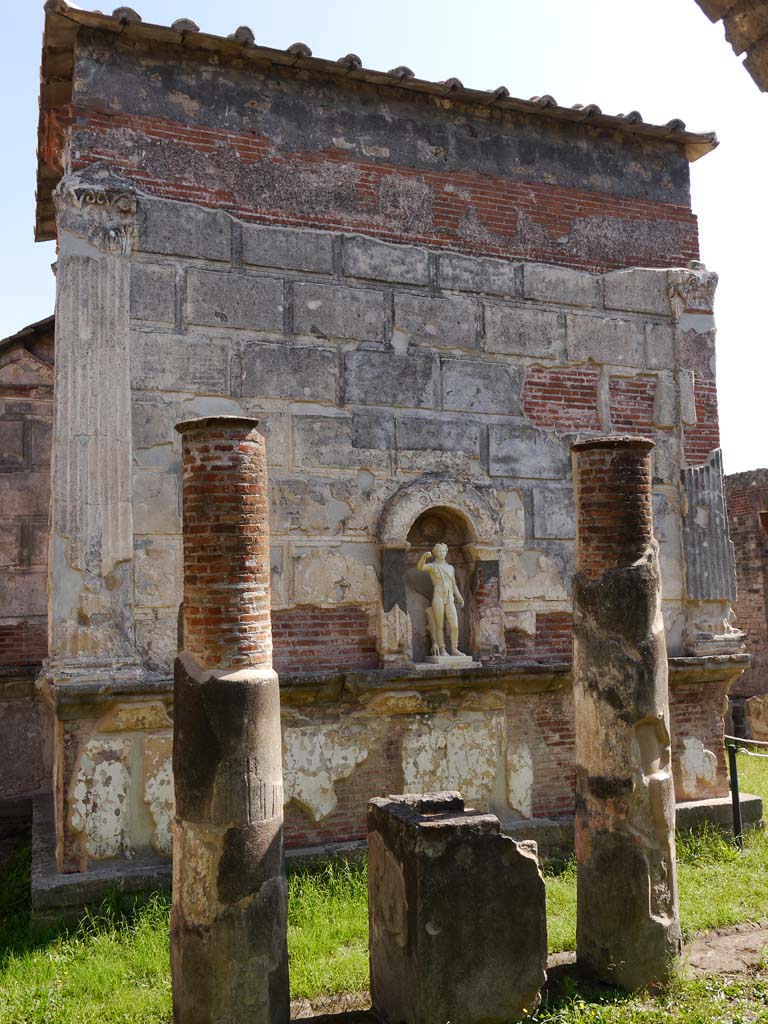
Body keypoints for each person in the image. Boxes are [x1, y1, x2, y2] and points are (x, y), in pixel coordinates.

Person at [416, 542, 467, 657]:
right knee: (439, 625)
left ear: (446, 552)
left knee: (455, 625)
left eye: (443, 551)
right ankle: (442, 648)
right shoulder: (432, 566)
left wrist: (459, 596)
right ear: (435, 553)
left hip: (450, 597)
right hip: (438, 595)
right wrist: (424, 557)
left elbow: (453, 584)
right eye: (439, 551)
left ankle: (455, 649)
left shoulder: (450, 567)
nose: (441, 553)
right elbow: (420, 567)